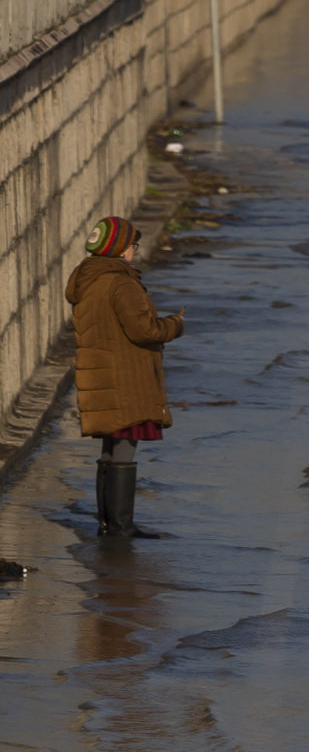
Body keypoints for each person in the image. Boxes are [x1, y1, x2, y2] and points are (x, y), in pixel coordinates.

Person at [67, 215, 186, 539]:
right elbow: (143, 329)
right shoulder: (120, 282)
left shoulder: (89, 279)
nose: (135, 250)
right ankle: (120, 527)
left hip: (102, 372)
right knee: (124, 445)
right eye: (133, 245)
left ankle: (108, 523)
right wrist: (174, 325)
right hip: (125, 375)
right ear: (120, 249)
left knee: (110, 446)